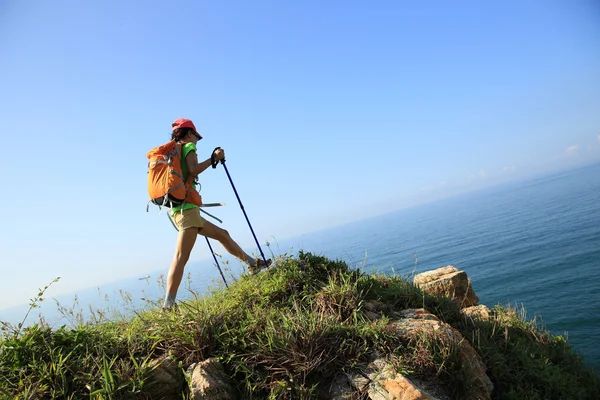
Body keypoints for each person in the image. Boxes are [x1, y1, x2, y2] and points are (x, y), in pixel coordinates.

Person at [163, 118, 270, 310]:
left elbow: (188, 173)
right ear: (189, 133)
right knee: (180, 258)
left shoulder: (173, 152)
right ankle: (168, 306)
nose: (197, 140)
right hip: (187, 211)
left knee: (222, 234)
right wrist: (214, 158)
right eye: (196, 136)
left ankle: (253, 264)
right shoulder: (187, 147)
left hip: (182, 210)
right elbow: (194, 170)